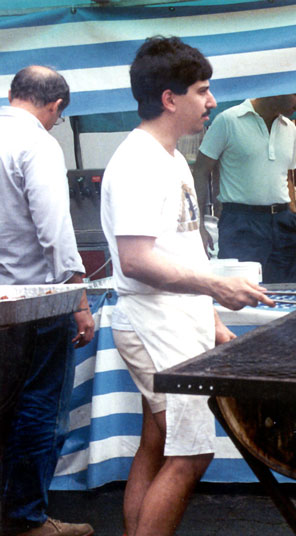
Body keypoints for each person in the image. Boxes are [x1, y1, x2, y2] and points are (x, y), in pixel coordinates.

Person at [100, 37, 273, 536]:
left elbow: (183, 250)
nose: (212, 102)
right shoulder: (137, 162)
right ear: (169, 99)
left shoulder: (172, 158)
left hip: (176, 320)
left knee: (156, 442)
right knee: (191, 454)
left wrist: (212, 321)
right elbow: (135, 261)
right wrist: (218, 289)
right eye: (202, 91)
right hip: (155, 324)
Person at [0, 66, 95, 536]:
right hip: (34, 303)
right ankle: (26, 520)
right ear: (55, 106)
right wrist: (78, 298)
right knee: (38, 407)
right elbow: (56, 232)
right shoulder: (37, 142)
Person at [193, 91, 296, 283]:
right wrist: (198, 226)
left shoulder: (290, 128)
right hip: (242, 223)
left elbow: (285, 175)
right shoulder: (228, 121)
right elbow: (201, 172)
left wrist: (294, 215)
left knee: (287, 292)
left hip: (283, 223)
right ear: (278, 90)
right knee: (241, 294)